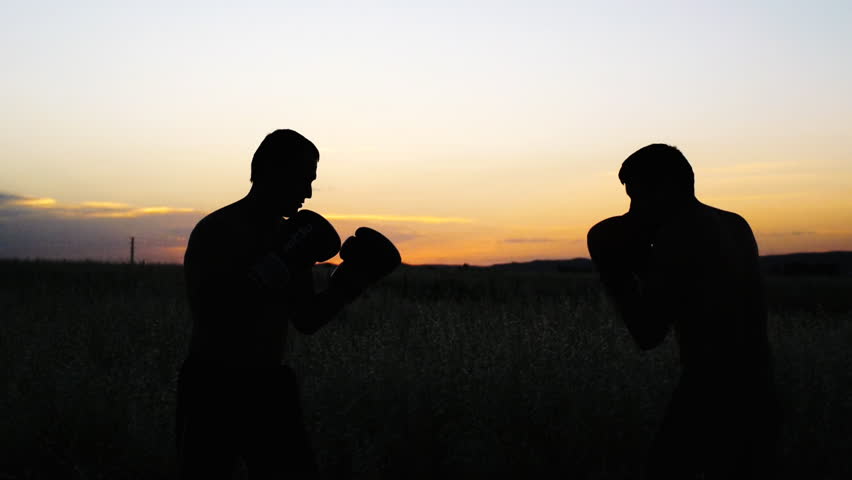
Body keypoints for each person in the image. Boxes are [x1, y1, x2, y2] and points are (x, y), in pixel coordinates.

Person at [178, 129, 401, 479]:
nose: (308, 193)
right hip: (213, 385)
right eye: (302, 179)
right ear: (270, 170)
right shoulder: (219, 230)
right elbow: (212, 314)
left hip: (269, 386)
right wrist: (271, 268)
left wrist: (351, 282)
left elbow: (306, 319)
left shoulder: (293, 239)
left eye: (311, 182)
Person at [587, 144, 778, 479]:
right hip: (761, 386)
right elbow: (700, 288)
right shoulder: (734, 224)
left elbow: (648, 333)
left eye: (638, 196)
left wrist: (612, 268)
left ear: (667, 188)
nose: (634, 208)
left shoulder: (679, 235)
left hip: (712, 389)